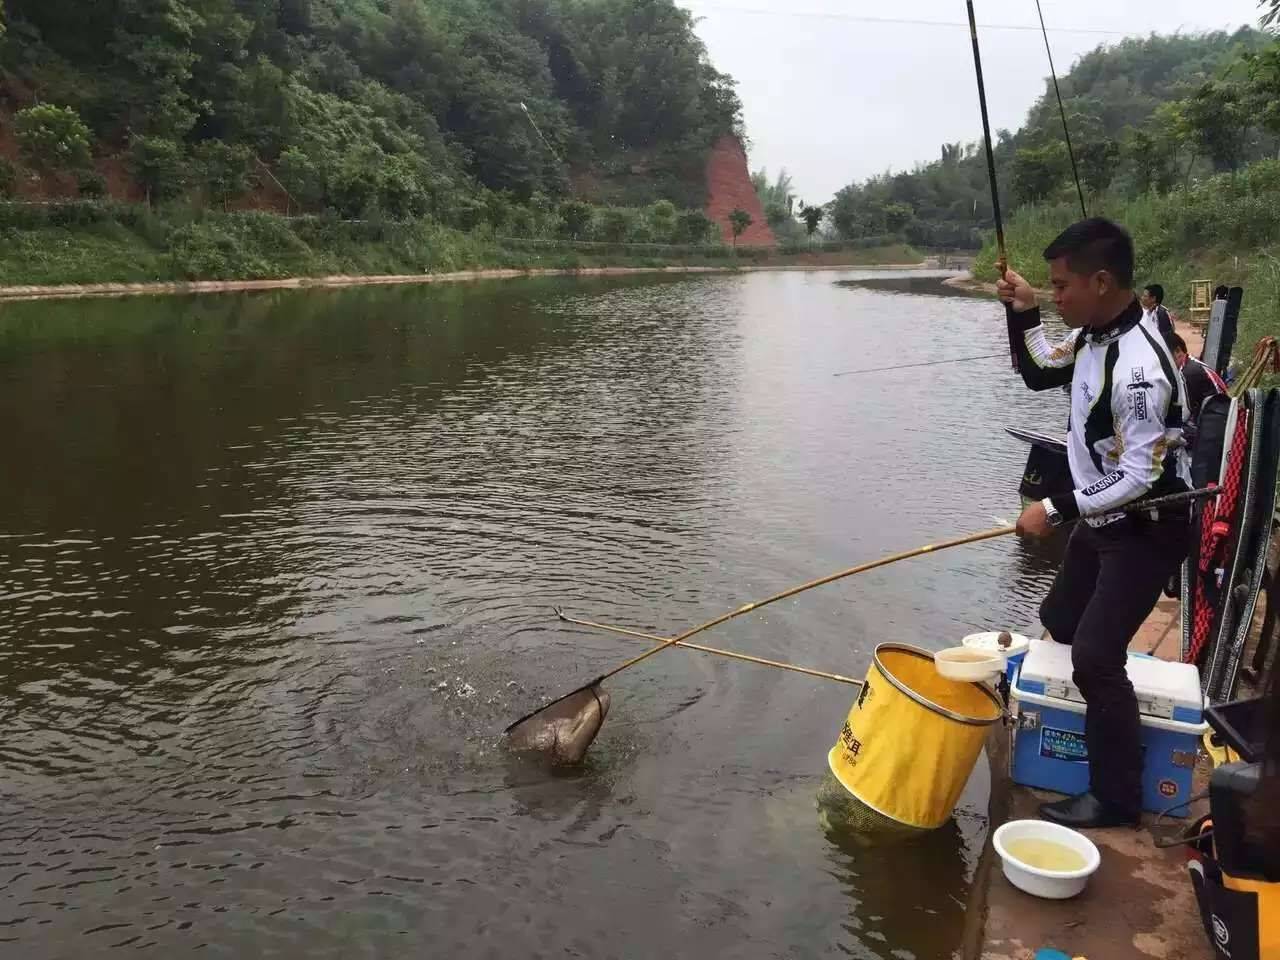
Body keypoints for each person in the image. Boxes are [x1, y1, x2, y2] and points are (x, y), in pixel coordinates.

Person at [999, 218, 1192, 828]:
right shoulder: (1092, 337)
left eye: (1061, 287)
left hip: (1147, 527)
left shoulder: (1139, 371)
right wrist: (1024, 311)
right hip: (1106, 519)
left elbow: (1140, 478)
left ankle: (1117, 797)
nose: (1057, 297)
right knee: (1058, 618)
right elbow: (1037, 371)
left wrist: (1053, 509)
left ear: (1102, 281)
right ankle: (1073, 724)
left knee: (1096, 657)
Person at [1165, 331, 1227, 452]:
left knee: (1167, 432)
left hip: (1214, 430)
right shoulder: (1191, 364)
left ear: (1178, 351)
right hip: (1218, 420)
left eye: (1165, 357)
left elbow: (1183, 414)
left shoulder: (1188, 373)